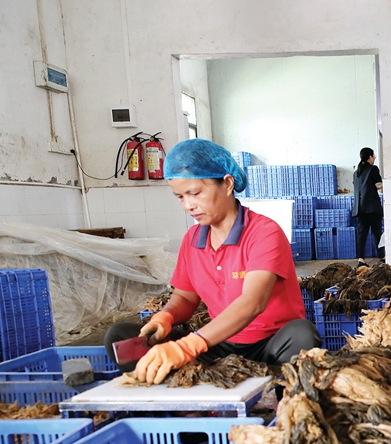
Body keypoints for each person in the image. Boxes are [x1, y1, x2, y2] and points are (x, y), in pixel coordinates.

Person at [104, 138, 320, 384]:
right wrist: (166, 316)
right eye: (180, 197)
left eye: (194, 193)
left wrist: (190, 345)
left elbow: (253, 303)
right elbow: (185, 297)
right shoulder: (193, 239)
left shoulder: (264, 232)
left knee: (302, 335)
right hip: (218, 344)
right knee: (120, 335)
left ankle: (283, 406)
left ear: (227, 184)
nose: (188, 205)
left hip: (270, 344)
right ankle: (179, 405)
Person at [352, 147, 384, 266]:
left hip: (359, 209)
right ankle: (382, 256)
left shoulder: (356, 173)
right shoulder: (373, 169)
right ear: (369, 157)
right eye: (373, 155)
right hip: (371, 207)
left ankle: (361, 260)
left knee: (362, 234)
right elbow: (378, 185)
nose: (374, 157)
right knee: (377, 233)